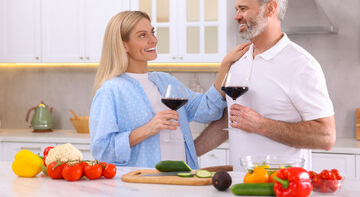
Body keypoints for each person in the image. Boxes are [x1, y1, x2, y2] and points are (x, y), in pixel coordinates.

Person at [194, 0, 336, 170]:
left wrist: (260, 124)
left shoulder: (301, 65)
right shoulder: (238, 61)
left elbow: (326, 137)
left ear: (270, 8)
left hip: (283, 187)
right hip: (241, 187)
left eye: (243, 9)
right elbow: (229, 120)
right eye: (236, 9)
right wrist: (188, 153)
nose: (236, 16)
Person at [89, 10, 250, 169]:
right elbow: (102, 151)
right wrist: (148, 129)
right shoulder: (111, 90)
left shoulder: (165, 81)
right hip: (143, 184)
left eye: (153, 32)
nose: (153, 40)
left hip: (182, 179)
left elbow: (208, 109)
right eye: (143, 35)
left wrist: (225, 65)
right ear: (124, 45)